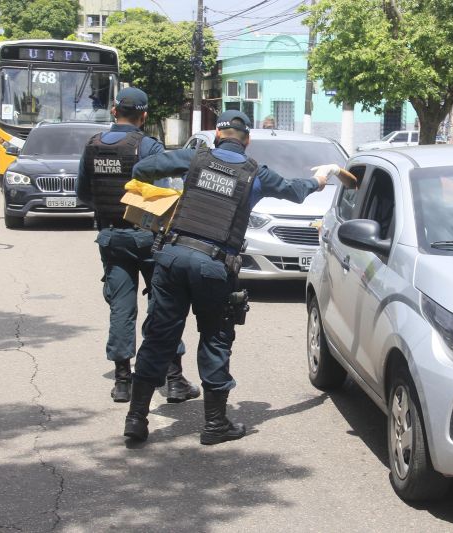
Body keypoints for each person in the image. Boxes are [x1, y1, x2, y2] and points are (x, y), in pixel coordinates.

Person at [122, 110, 343, 444]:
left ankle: (136, 420)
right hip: (213, 266)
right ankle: (214, 426)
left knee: (159, 337)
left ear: (218, 136)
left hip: (173, 256)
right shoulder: (256, 173)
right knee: (214, 338)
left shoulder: (194, 159)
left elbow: (142, 169)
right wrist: (321, 178)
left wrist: (168, 200)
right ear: (247, 140)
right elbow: (296, 191)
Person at [76, 87, 199, 404]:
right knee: (164, 306)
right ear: (144, 116)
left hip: (111, 237)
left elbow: (83, 194)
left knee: (121, 306)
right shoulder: (148, 146)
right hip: (148, 238)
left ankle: (121, 381)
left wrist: (111, 207)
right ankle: (173, 379)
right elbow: (169, 188)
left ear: (114, 112)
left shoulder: (93, 145)